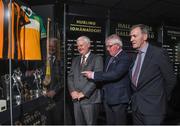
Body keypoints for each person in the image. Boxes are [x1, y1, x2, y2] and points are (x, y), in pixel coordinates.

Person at [129, 24, 177, 124]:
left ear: (145, 36)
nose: (131, 39)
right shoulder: (135, 56)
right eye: (130, 36)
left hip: (154, 109)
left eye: (134, 36)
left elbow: (171, 80)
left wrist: (161, 99)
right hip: (136, 108)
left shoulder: (158, 53)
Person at [82, 34, 132, 124]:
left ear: (117, 46)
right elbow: (105, 75)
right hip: (107, 98)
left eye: (109, 46)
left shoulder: (125, 57)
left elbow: (115, 74)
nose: (107, 49)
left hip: (119, 99)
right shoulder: (109, 58)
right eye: (107, 46)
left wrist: (93, 75)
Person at [67, 36, 103, 125]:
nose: (79, 48)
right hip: (76, 100)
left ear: (88, 45)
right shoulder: (75, 60)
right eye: (78, 46)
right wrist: (72, 91)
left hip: (90, 100)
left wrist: (83, 93)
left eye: (81, 45)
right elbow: (70, 77)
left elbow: (96, 78)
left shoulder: (97, 58)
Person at [43, 37, 64, 124]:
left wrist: (54, 91)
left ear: (56, 47)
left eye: (53, 46)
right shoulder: (42, 59)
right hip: (44, 96)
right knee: (46, 121)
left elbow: (63, 79)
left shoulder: (61, 60)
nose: (51, 48)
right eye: (49, 46)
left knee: (57, 121)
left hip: (57, 97)